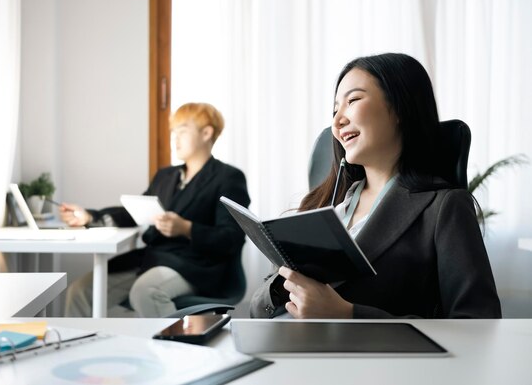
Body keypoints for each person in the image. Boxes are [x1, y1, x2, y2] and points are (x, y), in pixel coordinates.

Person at [251, 53, 502, 319]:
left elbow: (478, 323)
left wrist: (349, 315)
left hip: (373, 360)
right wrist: (284, 287)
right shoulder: (322, 206)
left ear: (400, 108)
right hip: (286, 351)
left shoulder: (443, 208)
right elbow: (258, 309)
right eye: (335, 109)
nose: (337, 121)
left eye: (353, 100)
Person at [63, 102, 250, 317]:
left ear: (207, 132)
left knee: (145, 292)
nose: (175, 138)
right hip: (153, 259)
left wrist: (186, 228)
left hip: (197, 267)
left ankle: (171, 349)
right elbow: (133, 213)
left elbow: (231, 238)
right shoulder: (165, 177)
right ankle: (80, 348)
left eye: (183, 130)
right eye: (173, 132)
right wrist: (89, 216)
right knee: (80, 291)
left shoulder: (228, 178)